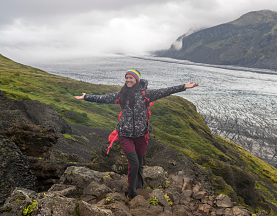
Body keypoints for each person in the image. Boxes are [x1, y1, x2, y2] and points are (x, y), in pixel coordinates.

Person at [75, 69, 199, 200]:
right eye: (126, 77)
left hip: (141, 135)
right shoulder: (122, 94)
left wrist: (184, 86)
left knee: (140, 163)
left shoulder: (146, 94)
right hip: (125, 135)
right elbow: (104, 98)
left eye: (131, 78)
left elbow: (166, 91)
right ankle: (132, 193)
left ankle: (139, 186)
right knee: (133, 163)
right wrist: (86, 96)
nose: (128, 80)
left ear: (137, 80)